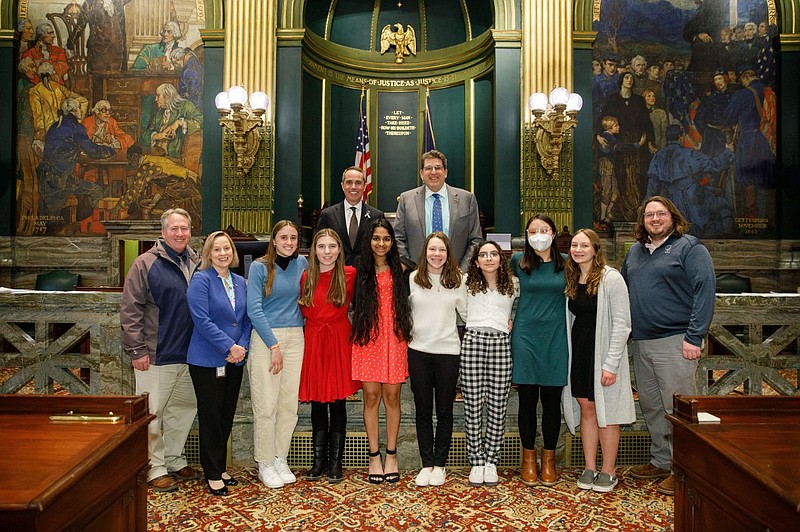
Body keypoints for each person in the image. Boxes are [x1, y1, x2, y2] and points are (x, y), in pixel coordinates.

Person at [621, 196, 716, 497]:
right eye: (649, 214)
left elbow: (705, 290)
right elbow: (623, 291)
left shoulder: (690, 248)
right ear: (642, 221)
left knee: (679, 408)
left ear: (673, 218)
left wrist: (695, 335)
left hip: (676, 341)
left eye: (661, 213)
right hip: (642, 342)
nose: (655, 218)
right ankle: (662, 461)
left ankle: (684, 470)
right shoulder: (635, 252)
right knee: (652, 406)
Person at [120, 208, 201, 493]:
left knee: (183, 410)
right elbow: (130, 310)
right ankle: (155, 468)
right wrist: (137, 349)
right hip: (155, 353)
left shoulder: (197, 261)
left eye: (185, 228)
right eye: (174, 229)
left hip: (191, 354)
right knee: (152, 415)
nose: (180, 233)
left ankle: (175, 459)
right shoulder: (145, 263)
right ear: (163, 232)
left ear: (191, 231)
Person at [562, 229, 635, 493]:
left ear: (595, 248)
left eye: (584, 245)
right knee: (587, 408)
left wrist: (611, 363)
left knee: (608, 412)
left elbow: (622, 325)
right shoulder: (572, 277)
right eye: (574, 245)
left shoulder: (611, 279)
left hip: (602, 352)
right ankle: (590, 466)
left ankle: (608, 470)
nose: (578, 249)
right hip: (580, 351)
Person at [186, 231, 251, 496]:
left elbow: (246, 319)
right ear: (208, 254)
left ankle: (220, 466)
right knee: (211, 415)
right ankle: (212, 473)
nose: (223, 253)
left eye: (227, 248)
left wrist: (242, 347)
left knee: (226, 414)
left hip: (235, 359)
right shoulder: (201, 281)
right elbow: (201, 320)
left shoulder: (240, 281)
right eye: (217, 249)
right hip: (207, 358)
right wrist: (229, 346)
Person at [246, 220, 308, 489]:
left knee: (288, 406)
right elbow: (254, 310)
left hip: (296, 337)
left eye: (293, 238)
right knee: (266, 405)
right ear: (273, 240)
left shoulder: (303, 264)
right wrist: (273, 346)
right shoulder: (260, 267)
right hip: (266, 339)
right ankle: (264, 462)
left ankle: (280, 457)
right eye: (284, 238)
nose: (289, 243)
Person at [351, 218, 412, 484]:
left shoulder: (402, 269)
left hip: (395, 338)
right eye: (376, 238)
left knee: (392, 397)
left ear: (392, 242)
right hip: (367, 337)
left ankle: (391, 454)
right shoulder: (358, 270)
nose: (381, 243)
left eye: (386, 238)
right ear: (369, 240)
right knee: (371, 397)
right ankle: (373, 455)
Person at [511, 214, 568, 486]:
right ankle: (528, 459)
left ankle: (549, 459)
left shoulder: (567, 263)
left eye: (544, 229)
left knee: (551, 401)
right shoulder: (517, 262)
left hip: (556, 337)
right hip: (525, 336)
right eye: (533, 231)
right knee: (527, 401)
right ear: (526, 235)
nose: (539, 235)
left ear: (554, 234)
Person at [298, 229, 359, 484]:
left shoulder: (349, 274)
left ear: (339, 249)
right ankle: (318, 461)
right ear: (314, 250)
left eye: (331, 246)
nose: (327, 252)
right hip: (313, 339)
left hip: (338, 338)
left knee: (337, 402)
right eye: (321, 246)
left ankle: (336, 462)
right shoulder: (306, 276)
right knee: (317, 403)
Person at [408, 232, 467, 487]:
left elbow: (468, 314)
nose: (436, 255)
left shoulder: (458, 280)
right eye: (432, 249)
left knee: (444, 411)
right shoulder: (413, 278)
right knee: (423, 410)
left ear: (448, 253)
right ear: (425, 252)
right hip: (418, 351)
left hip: (448, 353)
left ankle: (440, 465)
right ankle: (426, 463)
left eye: (441, 250)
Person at [461, 240, 518, 487]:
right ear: (476, 260)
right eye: (483, 255)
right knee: (473, 404)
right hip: (473, 340)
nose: (489, 258)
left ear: (500, 258)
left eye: (493, 254)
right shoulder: (466, 283)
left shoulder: (513, 284)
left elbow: (517, 308)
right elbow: (461, 310)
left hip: (500, 343)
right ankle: (476, 460)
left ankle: (491, 460)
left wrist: (511, 320)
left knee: (497, 403)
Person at [394, 150, 482, 271]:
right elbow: (398, 237)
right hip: (417, 274)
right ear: (421, 173)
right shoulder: (406, 199)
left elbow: (475, 239)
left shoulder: (466, 199)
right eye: (428, 168)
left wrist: (463, 270)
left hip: (457, 274)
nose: (433, 172)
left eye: (438, 168)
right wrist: (411, 268)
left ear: (445, 172)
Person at [35, 98, 115, 230]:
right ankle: (94, 228)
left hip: (45, 177)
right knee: (51, 224)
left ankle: (83, 225)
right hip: (58, 182)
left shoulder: (54, 126)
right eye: (79, 108)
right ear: (73, 111)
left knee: (95, 190)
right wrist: (110, 150)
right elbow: (93, 151)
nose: (81, 110)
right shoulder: (76, 128)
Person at [646, 124, 735, 237]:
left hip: (672, 203)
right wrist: (729, 152)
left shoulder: (658, 157)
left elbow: (652, 187)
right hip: (694, 197)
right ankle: (728, 237)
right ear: (680, 136)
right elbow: (714, 165)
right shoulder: (689, 154)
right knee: (723, 205)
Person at [316, 166, 384, 266]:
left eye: (358, 183)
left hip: (366, 274)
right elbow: (318, 245)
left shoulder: (376, 215)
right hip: (337, 274)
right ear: (342, 186)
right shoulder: (328, 214)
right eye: (349, 182)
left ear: (364, 186)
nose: (353, 187)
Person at [596, 116, 646, 222]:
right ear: (609, 127)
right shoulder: (607, 136)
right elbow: (620, 146)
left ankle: (608, 213)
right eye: (615, 126)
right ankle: (603, 216)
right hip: (606, 165)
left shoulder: (608, 137)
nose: (618, 127)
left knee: (615, 192)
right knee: (607, 190)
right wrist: (638, 144)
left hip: (611, 165)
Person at [140, 83, 203, 158]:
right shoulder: (159, 112)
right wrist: (157, 136)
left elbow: (202, 121)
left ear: (167, 97)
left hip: (174, 156)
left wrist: (179, 122)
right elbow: (145, 135)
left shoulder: (186, 106)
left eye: (158, 95)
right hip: (157, 154)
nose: (156, 99)